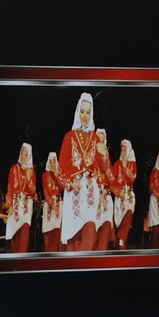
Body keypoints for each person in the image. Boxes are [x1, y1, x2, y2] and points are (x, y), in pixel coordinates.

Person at [56, 94, 100, 252]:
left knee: (89, 228)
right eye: (82, 111)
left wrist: (103, 156)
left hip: (89, 190)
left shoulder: (95, 138)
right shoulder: (69, 136)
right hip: (73, 189)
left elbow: (102, 168)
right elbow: (61, 168)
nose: (85, 116)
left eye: (88, 112)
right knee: (74, 235)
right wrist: (69, 183)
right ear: (77, 112)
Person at [4, 144, 37, 253]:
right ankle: (13, 263)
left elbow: (32, 191)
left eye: (26, 155)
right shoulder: (14, 168)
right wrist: (9, 206)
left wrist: (28, 177)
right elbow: (9, 188)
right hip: (15, 204)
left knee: (25, 233)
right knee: (15, 235)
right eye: (22, 154)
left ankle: (22, 261)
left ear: (29, 156)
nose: (23, 156)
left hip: (27, 206)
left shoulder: (32, 172)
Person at [111, 139, 139, 248]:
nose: (123, 152)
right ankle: (121, 246)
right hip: (119, 196)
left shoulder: (132, 164)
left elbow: (133, 178)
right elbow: (112, 183)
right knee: (120, 221)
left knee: (129, 212)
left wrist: (124, 166)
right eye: (121, 150)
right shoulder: (116, 164)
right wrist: (118, 192)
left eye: (125, 150)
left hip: (129, 195)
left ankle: (121, 238)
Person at [41, 153, 63, 251]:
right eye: (50, 162)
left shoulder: (60, 174)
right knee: (48, 230)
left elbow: (62, 188)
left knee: (57, 229)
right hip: (49, 205)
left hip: (59, 203)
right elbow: (46, 191)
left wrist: (56, 175)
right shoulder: (45, 175)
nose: (52, 164)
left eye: (54, 162)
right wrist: (51, 204)